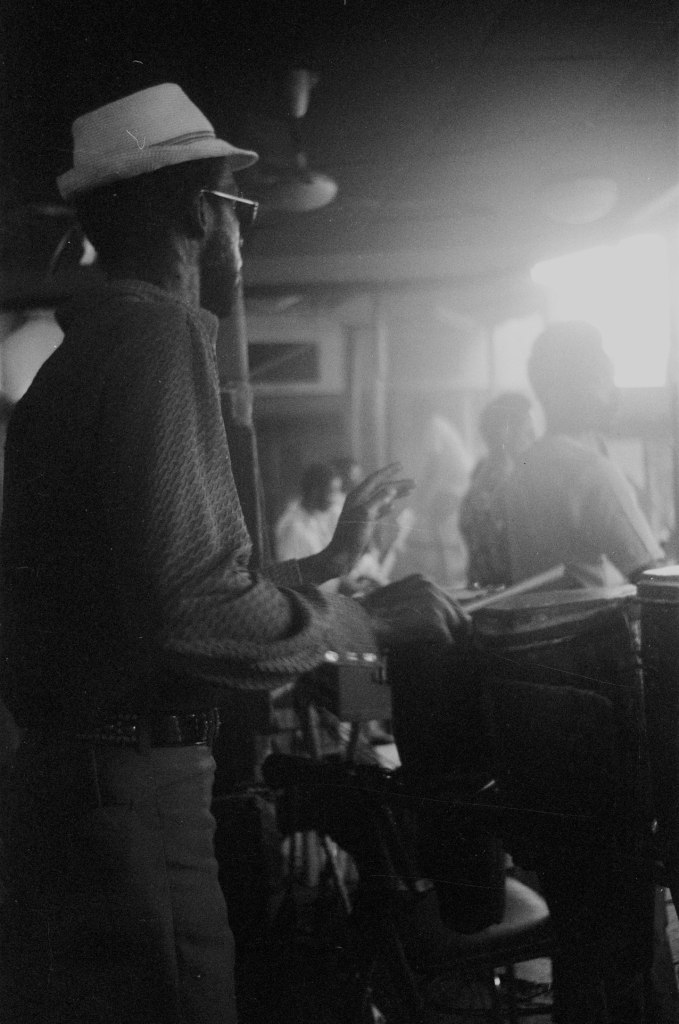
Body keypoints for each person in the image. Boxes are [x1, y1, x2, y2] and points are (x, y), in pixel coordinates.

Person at [0, 83, 468, 1024]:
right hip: (135, 784)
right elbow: (185, 604)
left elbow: (146, 579)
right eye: (235, 205)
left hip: (80, 781)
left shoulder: (76, 360)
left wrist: (323, 565)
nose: (241, 229)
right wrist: (361, 621)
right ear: (193, 211)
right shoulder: (159, 334)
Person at [504, 320, 664, 587]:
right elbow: (656, 582)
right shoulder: (590, 471)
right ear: (561, 391)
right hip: (598, 615)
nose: (615, 392)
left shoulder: (525, 466)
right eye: (601, 379)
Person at [459, 391, 535, 588]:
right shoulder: (504, 485)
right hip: (504, 595)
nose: (534, 439)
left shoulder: (484, 476)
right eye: (528, 432)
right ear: (505, 433)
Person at [273, 461, 344, 565]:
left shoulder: (319, 516)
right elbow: (292, 571)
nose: (336, 499)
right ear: (315, 491)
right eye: (331, 492)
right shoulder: (294, 527)